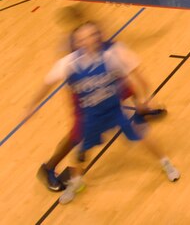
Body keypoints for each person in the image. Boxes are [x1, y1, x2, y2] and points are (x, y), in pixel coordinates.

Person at [23, 21, 179, 205]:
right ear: (76, 42)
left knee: (141, 133)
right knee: (81, 149)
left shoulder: (111, 56)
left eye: (92, 35)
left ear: (98, 37)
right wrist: (31, 105)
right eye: (83, 37)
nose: (88, 40)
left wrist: (142, 101)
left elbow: (130, 79)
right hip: (91, 113)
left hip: (114, 109)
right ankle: (69, 180)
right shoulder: (69, 64)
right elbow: (47, 83)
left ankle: (166, 163)